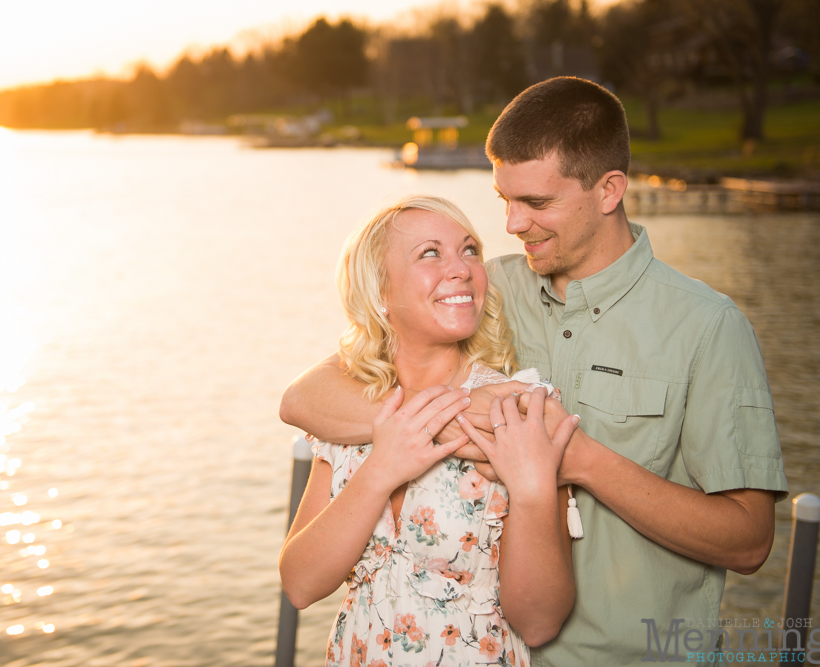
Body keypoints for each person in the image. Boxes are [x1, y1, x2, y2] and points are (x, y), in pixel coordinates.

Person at [279, 77, 788, 667]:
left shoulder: (708, 327)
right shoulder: (485, 291)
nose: (514, 225)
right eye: (505, 201)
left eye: (537, 204)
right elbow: (305, 396)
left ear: (608, 191)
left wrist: (580, 462)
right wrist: (448, 420)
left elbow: (750, 541)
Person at [279, 195, 581, 667]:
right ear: (381, 292)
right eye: (430, 253)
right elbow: (300, 584)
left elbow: (539, 621)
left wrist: (532, 491)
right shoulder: (347, 409)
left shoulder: (518, 410)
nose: (461, 268)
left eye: (469, 250)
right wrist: (381, 469)